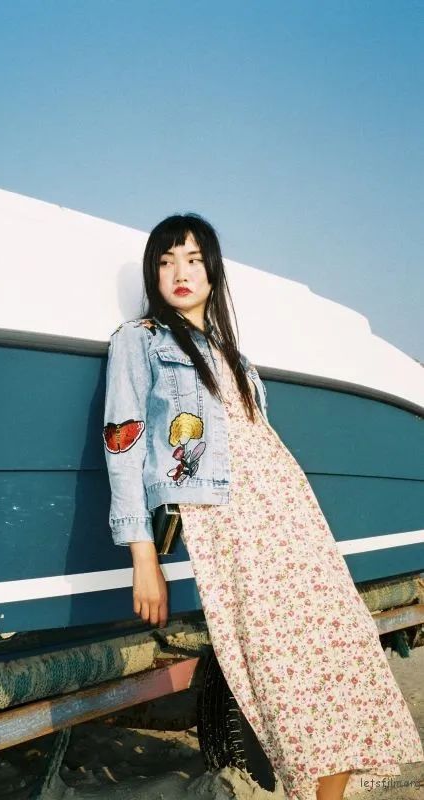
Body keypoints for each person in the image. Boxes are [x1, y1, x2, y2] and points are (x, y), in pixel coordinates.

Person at [102, 213, 423, 800]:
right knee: (283, 673)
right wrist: (141, 555)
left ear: (212, 272)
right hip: (225, 520)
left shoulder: (235, 356)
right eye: (166, 261)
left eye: (193, 259)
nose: (180, 272)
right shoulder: (140, 340)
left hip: (290, 511)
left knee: (343, 649)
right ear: (153, 273)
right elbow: (122, 443)